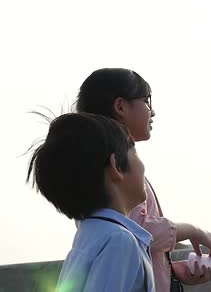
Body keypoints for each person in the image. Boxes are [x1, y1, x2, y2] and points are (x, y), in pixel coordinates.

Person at [75, 68, 211, 291]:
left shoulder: (96, 170)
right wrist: (193, 230)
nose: (153, 111)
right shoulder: (118, 177)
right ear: (120, 106)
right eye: (146, 100)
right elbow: (140, 232)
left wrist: (170, 270)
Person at [26, 113, 155, 291]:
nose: (143, 165)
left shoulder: (90, 234)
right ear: (116, 166)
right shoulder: (119, 241)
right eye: (133, 151)